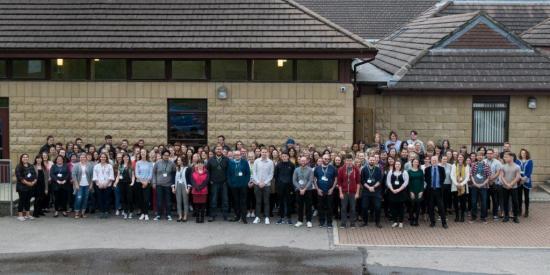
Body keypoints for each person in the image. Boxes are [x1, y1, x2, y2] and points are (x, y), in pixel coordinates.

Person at [206, 145, 230, 222]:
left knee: (225, 200)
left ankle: (225, 215)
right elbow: (207, 171)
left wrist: (227, 180)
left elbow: (229, 171)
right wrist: (210, 180)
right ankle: (212, 215)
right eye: (217, 149)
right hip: (214, 183)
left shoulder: (226, 159)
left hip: (224, 183)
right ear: (215, 150)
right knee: (213, 200)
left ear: (222, 150)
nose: (219, 150)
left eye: (220, 149)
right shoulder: (210, 160)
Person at [313, 154, 337, 228]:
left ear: (329, 159)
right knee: (320, 207)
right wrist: (317, 189)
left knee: (330, 207)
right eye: (325, 159)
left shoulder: (333, 168)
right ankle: (321, 221)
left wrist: (332, 189)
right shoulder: (317, 168)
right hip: (320, 191)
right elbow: (314, 179)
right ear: (322, 159)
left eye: (328, 159)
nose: (326, 160)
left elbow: (336, 179)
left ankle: (329, 222)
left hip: (329, 191)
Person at [227, 150, 251, 223]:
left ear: (241, 155)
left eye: (238, 155)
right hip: (234, 186)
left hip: (243, 185)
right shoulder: (231, 162)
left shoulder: (244, 162)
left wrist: (245, 182)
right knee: (236, 202)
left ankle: (244, 217)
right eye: (236, 155)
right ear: (234, 155)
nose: (237, 156)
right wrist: (230, 183)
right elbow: (228, 174)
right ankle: (237, 216)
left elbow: (248, 173)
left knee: (243, 201)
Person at [424, 156, 448, 229]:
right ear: (430, 161)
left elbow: (443, 178)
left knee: (441, 207)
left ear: (438, 161)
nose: (434, 161)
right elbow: (426, 179)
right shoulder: (427, 169)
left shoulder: (441, 169)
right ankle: (432, 222)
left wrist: (439, 185)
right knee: (430, 207)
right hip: (430, 190)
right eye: (432, 160)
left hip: (438, 190)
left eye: (435, 160)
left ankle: (444, 223)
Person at [337, 154, 360, 228]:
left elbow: (358, 182)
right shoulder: (341, 169)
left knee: (353, 208)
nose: (349, 162)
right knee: (343, 208)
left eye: (350, 160)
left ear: (352, 161)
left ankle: (352, 223)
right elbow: (339, 183)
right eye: (347, 160)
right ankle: (343, 223)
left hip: (353, 192)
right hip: (344, 192)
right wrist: (340, 193)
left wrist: (357, 193)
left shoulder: (356, 169)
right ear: (345, 161)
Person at [152, 150, 176, 221]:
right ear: (162, 155)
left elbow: (174, 173)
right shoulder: (157, 163)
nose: (166, 156)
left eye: (167, 155)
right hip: (159, 184)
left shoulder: (172, 163)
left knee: (168, 201)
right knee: (159, 201)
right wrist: (154, 182)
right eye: (165, 155)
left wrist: (173, 184)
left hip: (168, 185)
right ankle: (159, 214)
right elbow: (154, 173)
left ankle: (168, 214)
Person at [360, 156, 383, 228]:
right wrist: (369, 187)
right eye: (371, 160)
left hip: (376, 191)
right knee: (364, 207)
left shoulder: (378, 169)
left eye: (373, 160)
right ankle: (365, 221)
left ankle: (377, 222)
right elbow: (362, 180)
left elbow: (380, 180)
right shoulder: (364, 169)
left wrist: (373, 187)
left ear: (375, 161)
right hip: (366, 191)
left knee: (378, 207)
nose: (372, 161)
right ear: (368, 160)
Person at [252, 148, 274, 225]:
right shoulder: (256, 161)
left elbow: (271, 174)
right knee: (258, 201)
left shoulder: (270, 162)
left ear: (267, 153)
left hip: (266, 185)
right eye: (262, 152)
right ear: (260, 153)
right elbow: (254, 172)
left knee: (266, 201)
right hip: (257, 185)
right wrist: (258, 182)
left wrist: (264, 183)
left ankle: (267, 217)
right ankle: (257, 217)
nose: (264, 153)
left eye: (265, 152)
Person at [273, 151, 295, 224]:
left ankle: (289, 218)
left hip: (289, 187)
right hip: (280, 187)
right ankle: (281, 218)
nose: (284, 157)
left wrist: (292, 186)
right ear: (281, 157)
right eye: (283, 156)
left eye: (285, 156)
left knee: (289, 203)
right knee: (281, 203)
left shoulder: (292, 165)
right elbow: (275, 176)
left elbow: (293, 176)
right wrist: (278, 185)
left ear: (288, 157)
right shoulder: (278, 165)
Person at [293, 156, 314, 228]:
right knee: (300, 206)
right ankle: (300, 221)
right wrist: (300, 188)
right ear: (300, 161)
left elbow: (310, 180)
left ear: (307, 161)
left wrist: (304, 189)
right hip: (299, 190)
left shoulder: (310, 170)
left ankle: (309, 221)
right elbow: (294, 180)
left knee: (308, 206)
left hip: (308, 190)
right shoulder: (296, 170)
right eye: (302, 161)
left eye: (304, 161)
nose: (303, 162)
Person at [470, 151, 490, 223]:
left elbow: (488, 176)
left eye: (481, 155)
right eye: (478, 155)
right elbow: (471, 175)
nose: (479, 157)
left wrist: (482, 184)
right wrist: (475, 183)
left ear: (483, 156)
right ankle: (473, 217)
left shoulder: (486, 165)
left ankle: (483, 217)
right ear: (476, 157)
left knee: (484, 202)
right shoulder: (473, 165)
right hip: (474, 186)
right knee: (473, 202)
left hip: (484, 187)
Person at [500, 152, 521, 223]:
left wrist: (511, 184)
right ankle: (506, 216)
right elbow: (502, 176)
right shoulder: (503, 166)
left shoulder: (517, 166)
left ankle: (515, 217)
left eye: (506, 157)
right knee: (505, 202)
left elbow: (517, 177)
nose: (504, 158)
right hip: (505, 187)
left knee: (515, 202)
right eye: (504, 157)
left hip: (514, 187)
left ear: (511, 157)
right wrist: (506, 184)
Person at [387, 161, 409, 228]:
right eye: (396, 164)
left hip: (401, 192)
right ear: (394, 165)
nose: (397, 165)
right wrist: (392, 189)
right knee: (393, 208)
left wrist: (398, 190)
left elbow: (406, 182)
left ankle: (401, 222)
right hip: (392, 192)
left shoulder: (404, 172)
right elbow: (388, 182)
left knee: (401, 208)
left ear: (401, 165)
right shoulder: (391, 172)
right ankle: (395, 221)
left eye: (399, 164)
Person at [15, 154, 37, 221]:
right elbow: (20, 177)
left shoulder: (31, 166)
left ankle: (28, 214)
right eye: (24, 157)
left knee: (28, 201)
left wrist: (33, 182)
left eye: (26, 157)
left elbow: (35, 175)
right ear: (21, 158)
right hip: (22, 187)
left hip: (30, 186)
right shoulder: (19, 167)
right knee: (22, 200)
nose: (25, 158)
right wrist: (28, 183)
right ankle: (20, 215)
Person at [72, 153, 94, 219]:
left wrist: (91, 184)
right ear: (79, 158)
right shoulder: (76, 165)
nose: (82, 158)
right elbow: (74, 175)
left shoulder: (90, 165)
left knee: (85, 199)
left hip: (87, 185)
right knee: (78, 199)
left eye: (84, 157)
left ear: (86, 158)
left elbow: (92, 176)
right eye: (81, 157)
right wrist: (76, 184)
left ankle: (83, 213)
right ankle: (76, 213)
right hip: (79, 185)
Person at [92, 153, 114, 219]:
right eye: (102, 157)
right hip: (99, 185)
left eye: (104, 157)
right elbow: (95, 176)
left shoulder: (109, 166)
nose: (103, 158)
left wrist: (106, 184)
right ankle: (102, 211)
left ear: (106, 158)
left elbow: (111, 176)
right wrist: (99, 184)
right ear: (100, 158)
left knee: (107, 198)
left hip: (108, 185)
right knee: (100, 198)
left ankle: (106, 211)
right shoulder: (96, 166)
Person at [115, 153, 135, 219]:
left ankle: (131, 212)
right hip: (121, 184)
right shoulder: (120, 166)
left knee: (130, 198)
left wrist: (132, 182)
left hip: (129, 184)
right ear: (122, 158)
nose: (126, 158)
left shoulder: (131, 165)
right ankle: (125, 212)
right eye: (124, 157)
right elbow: (118, 175)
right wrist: (115, 182)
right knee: (123, 199)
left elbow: (133, 175)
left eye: (127, 157)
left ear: (129, 158)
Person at [450, 154, 469, 222]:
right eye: (459, 157)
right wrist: (456, 183)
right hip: (455, 186)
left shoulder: (466, 166)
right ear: (457, 158)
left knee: (463, 202)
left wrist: (461, 184)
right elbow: (452, 175)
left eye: (461, 157)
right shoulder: (454, 165)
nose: (460, 158)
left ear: (463, 158)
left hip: (463, 186)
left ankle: (462, 216)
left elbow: (467, 177)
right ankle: (457, 216)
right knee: (455, 202)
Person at [135, 149, 153, 221]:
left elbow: (150, 174)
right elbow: (136, 173)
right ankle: (142, 213)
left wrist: (146, 182)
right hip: (139, 183)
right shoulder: (138, 163)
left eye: (144, 152)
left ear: (146, 154)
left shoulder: (149, 163)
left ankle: (146, 214)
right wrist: (142, 182)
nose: (143, 153)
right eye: (141, 152)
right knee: (141, 199)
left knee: (146, 199)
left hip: (147, 183)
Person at [485, 149, 503, 220]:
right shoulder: (484, 161)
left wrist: (491, 179)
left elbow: (498, 172)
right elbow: (483, 172)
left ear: (493, 154)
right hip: (485, 184)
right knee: (485, 199)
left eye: (490, 153)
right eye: (488, 153)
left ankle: (495, 214)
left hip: (494, 184)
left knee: (495, 200)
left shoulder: (497, 162)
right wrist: (488, 180)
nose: (489, 155)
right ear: (486, 154)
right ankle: (485, 214)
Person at [172, 157, 190, 222]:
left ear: (182, 161)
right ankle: (180, 215)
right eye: (177, 160)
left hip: (184, 185)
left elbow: (189, 179)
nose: (178, 161)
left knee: (185, 201)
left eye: (179, 160)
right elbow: (173, 179)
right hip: (178, 185)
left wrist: (188, 188)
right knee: (178, 201)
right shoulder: (176, 169)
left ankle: (185, 215)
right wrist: (173, 187)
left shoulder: (187, 169)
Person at [516, 149, 533, 218]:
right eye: (522, 153)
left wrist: (524, 178)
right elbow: (517, 170)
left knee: (526, 197)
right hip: (519, 181)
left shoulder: (530, 161)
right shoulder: (517, 161)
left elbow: (530, 171)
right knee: (519, 197)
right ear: (520, 154)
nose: (523, 154)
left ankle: (526, 211)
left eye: (524, 153)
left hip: (527, 181)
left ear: (526, 154)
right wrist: (520, 178)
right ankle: (519, 210)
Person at [407, 158, 424, 226]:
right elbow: (408, 182)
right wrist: (411, 191)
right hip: (411, 191)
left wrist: (421, 191)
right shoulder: (409, 171)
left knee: (418, 206)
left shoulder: (421, 171)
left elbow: (422, 181)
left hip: (419, 191)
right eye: (414, 162)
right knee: (411, 206)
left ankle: (416, 220)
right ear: (412, 163)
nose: (416, 163)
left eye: (417, 162)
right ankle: (411, 219)